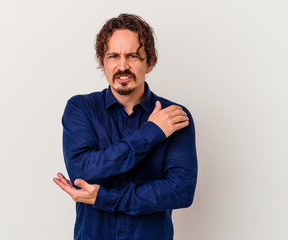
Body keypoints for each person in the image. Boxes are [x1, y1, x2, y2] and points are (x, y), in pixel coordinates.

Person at [53, 13, 198, 240]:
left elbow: (180, 192)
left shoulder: (175, 116)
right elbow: (82, 172)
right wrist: (152, 133)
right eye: (113, 56)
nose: (123, 66)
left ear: (149, 62)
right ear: (102, 63)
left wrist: (104, 197)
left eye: (133, 56)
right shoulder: (80, 109)